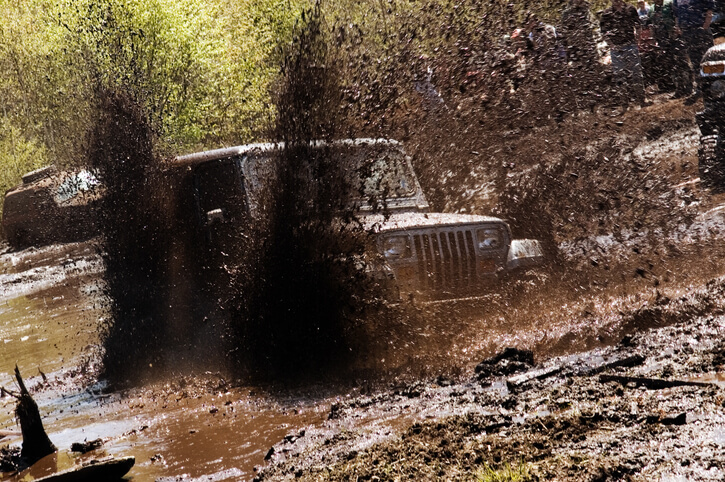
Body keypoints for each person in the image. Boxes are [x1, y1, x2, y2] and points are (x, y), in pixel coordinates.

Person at [600, 0, 647, 106]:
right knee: (619, 76)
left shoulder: (630, 9)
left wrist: (637, 41)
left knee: (636, 73)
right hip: (616, 49)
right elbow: (603, 32)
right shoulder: (606, 13)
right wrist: (611, 45)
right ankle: (624, 102)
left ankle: (641, 99)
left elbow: (638, 25)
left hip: (631, 45)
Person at [560, 0, 603, 109]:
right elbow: (564, 33)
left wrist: (596, 49)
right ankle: (585, 102)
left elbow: (592, 28)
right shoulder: (567, 13)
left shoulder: (586, 10)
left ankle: (597, 101)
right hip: (576, 49)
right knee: (580, 75)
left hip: (588, 47)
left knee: (593, 73)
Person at [649, 0, 694, 96]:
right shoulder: (652, 9)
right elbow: (651, 25)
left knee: (682, 62)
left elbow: (677, 16)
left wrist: (677, 28)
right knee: (672, 65)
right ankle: (679, 88)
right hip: (662, 41)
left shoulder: (669, 4)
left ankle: (689, 86)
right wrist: (653, 38)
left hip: (675, 38)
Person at [673, 0, 714, 102]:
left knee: (709, 59)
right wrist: (678, 27)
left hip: (701, 30)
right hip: (687, 33)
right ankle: (700, 87)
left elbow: (709, 12)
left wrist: (704, 28)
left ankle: (715, 85)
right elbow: (677, 15)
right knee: (695, 62)